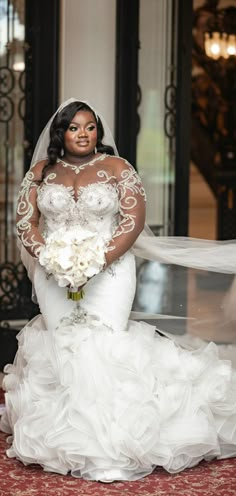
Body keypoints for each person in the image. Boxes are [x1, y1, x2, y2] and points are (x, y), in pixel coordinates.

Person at [0, 98, 236, 483]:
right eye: (75, 128)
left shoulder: (117, 168)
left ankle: (111, 443)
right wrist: (49, 257)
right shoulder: (42, 172)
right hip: (52, 272)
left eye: (90, 127)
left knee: (105, 343)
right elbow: (27, 222)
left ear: (99, 131)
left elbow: (132, 219)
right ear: (61, 133)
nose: (83, 134)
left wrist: (96, 260)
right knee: (65, 344)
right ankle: (69, 438)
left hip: (109, 274)